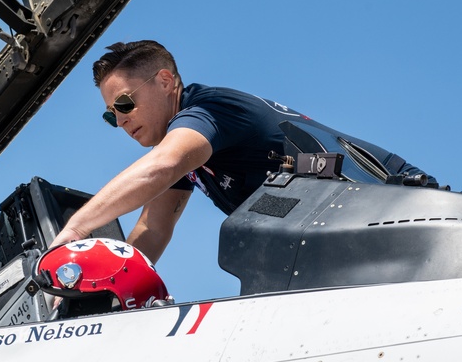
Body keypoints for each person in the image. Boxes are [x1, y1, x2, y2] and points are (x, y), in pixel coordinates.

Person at [51, 40, 434, 262]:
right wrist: (105, 286)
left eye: (124, 104)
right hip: (343, 238)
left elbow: (161, 165)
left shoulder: (209, 111)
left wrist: (77, 227)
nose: (120, 121)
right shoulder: (188, 152)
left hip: (401, 211)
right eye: (110, 116)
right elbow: (153, 230)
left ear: (166, 82)